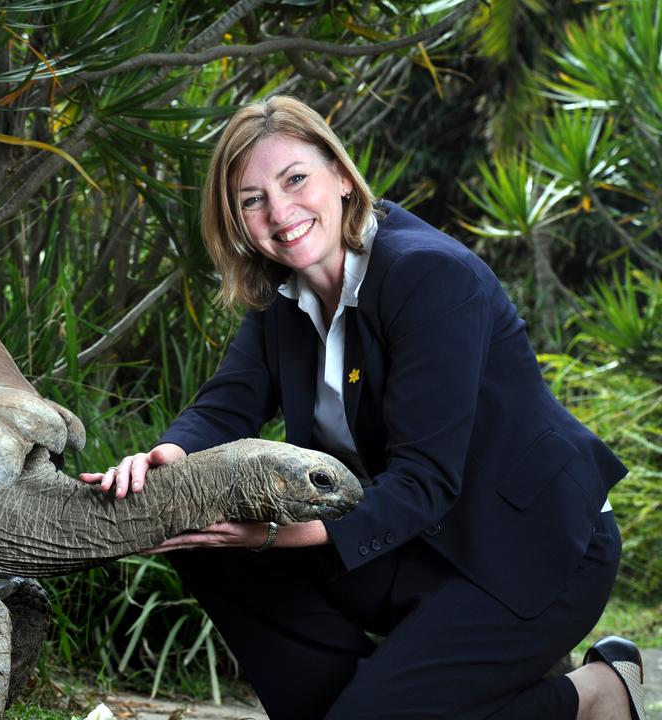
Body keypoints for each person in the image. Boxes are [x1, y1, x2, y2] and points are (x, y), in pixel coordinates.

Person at [79, 95, 645, 720]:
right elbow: (228, 403)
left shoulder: (430, 277)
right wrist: (169, 456)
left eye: (295, 180)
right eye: (251, 199)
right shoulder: (282, 296)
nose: (279, 211)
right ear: (236, 220)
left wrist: (275, 534)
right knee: (207, 545)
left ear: (343, 179)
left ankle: (593, 695)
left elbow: (425, 480)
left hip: (529, 548)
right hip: (412, 543)